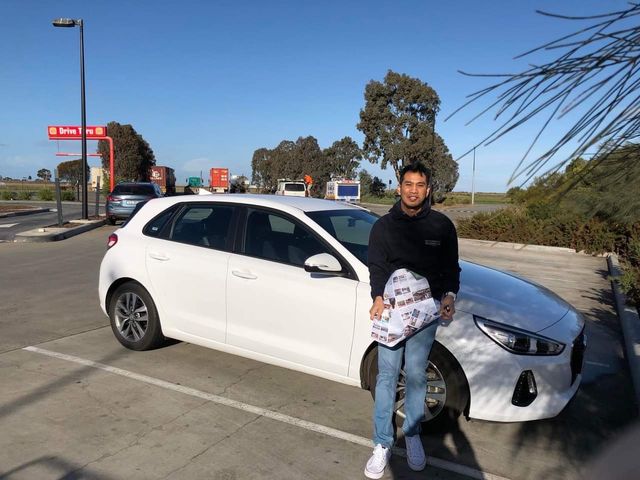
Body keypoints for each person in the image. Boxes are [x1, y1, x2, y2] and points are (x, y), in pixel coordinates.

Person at [364, 162, 460, 479]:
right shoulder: (383, 227)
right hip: (391, 314)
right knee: (387, 376)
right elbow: (376, 267)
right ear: (399, 187)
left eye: (420, 184)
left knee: (417, 374)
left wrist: (449, 296)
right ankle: (382, 443)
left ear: (428, 189)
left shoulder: (442, 227)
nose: (413, 189)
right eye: (408, 184)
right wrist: (378, 297)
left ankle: (413, 434)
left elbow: (451, 269)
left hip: (424, 316)